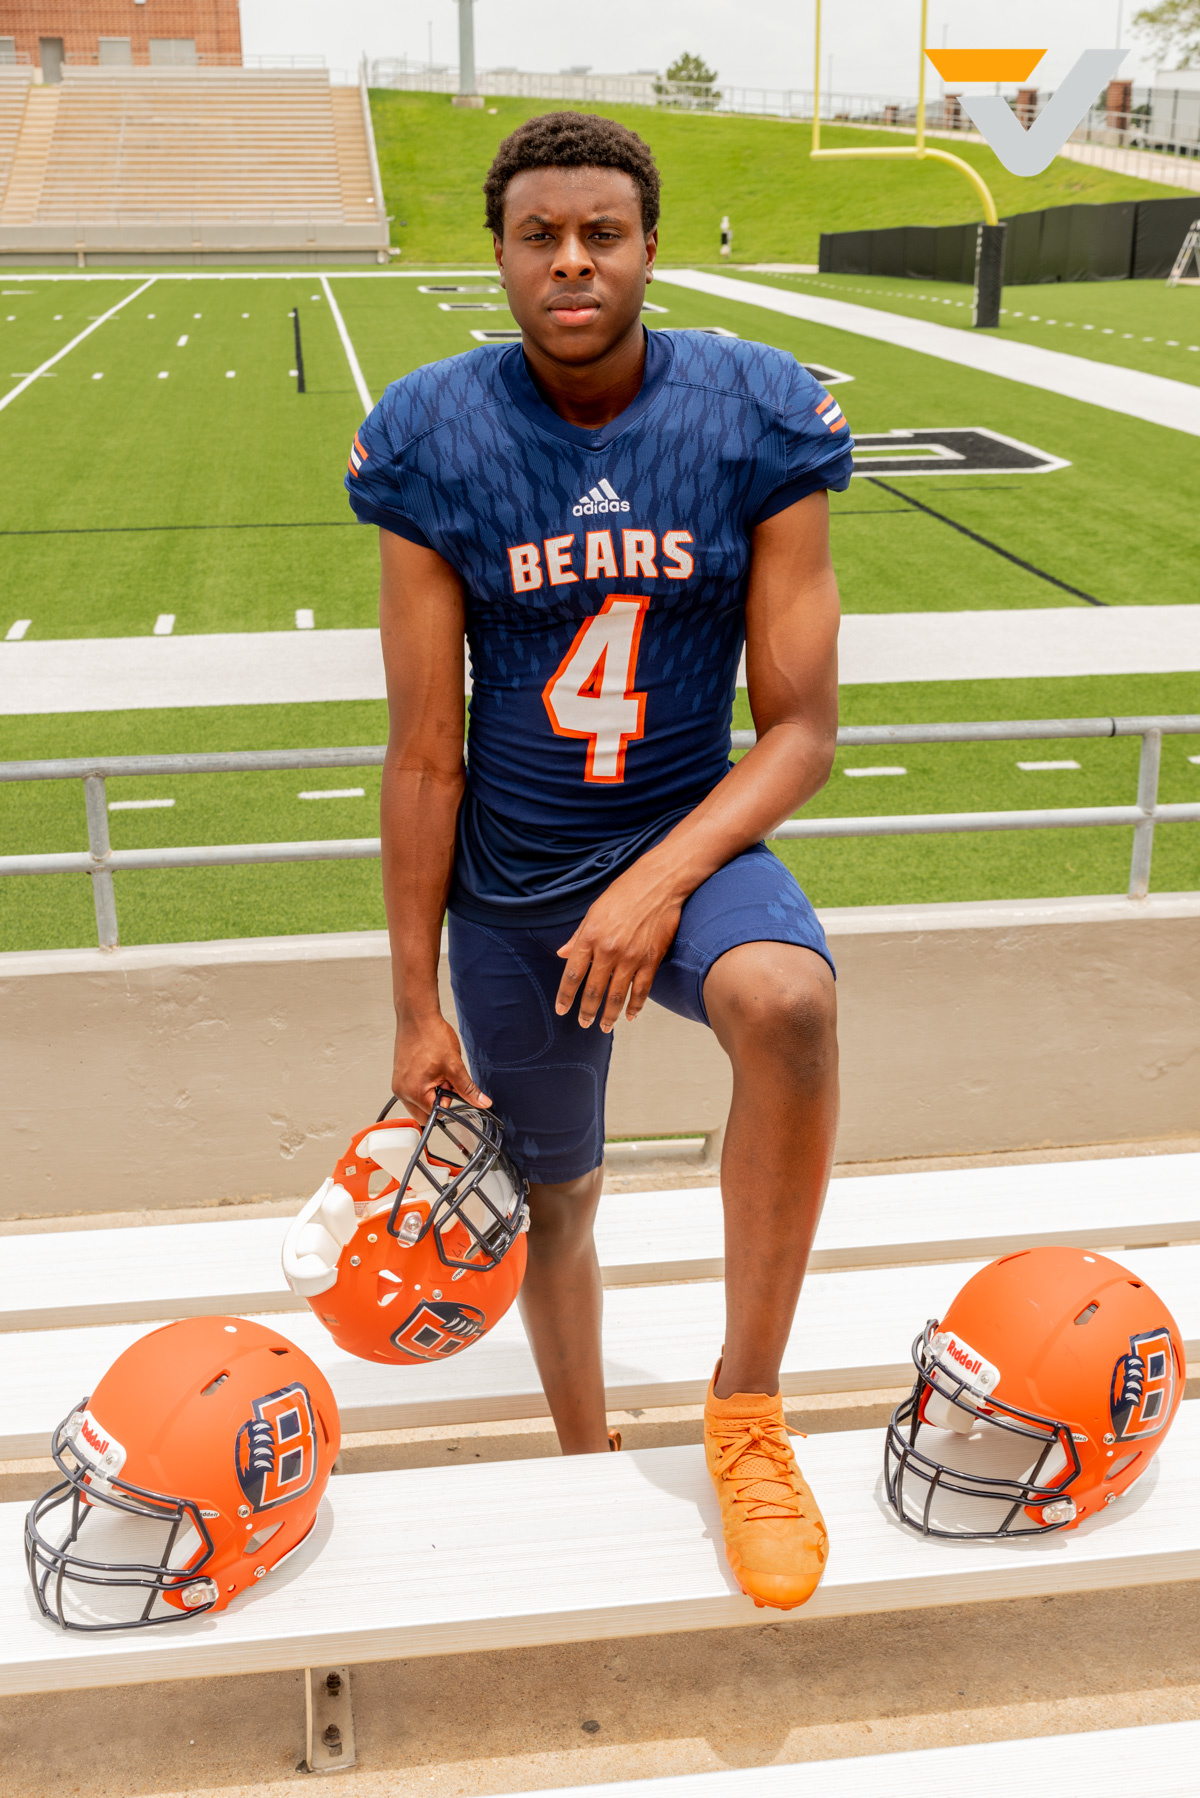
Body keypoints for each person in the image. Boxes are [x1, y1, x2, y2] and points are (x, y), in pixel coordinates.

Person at [345, 111, 851, 1611]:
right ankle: (582, 1449)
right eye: (540, 235)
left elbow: (803, 730)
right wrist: (413, 1004)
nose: (572, 261)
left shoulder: (756, 412)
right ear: (500, 256)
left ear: (648, 247)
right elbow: (423, 751)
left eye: (602, 233)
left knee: (790, 1005)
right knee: (552, 1198)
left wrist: (654, 882)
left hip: (686, 836)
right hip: (515, 879)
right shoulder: (434, 432)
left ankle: (746, 1408)